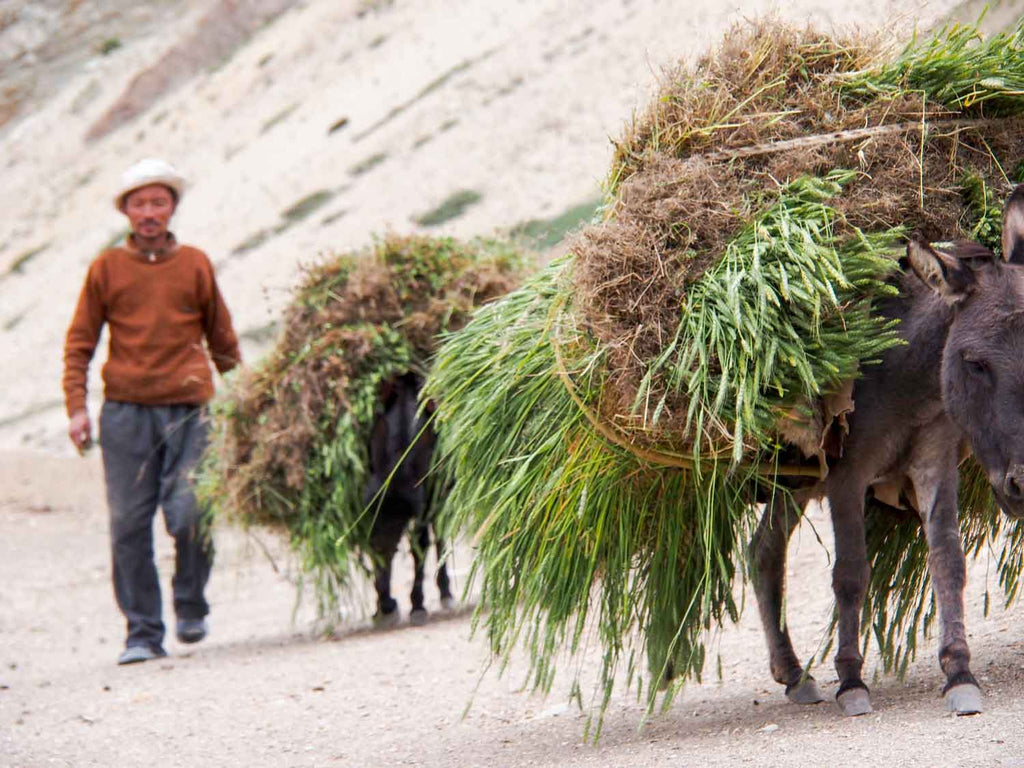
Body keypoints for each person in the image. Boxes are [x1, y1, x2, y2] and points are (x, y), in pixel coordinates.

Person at [62, 158, 241, 665]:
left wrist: (245, 398)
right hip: (125, 413)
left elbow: (222, 338)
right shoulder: (106, 269)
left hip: (190, 408)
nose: (148, 212)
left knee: (190, 510)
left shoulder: (196, 264)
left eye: (158, 202)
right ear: (125, 211)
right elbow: (79, 344)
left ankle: (190, 604)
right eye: (138, 203)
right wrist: (77, 408)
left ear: (172, 207)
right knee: (128, 524)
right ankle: (142, 632)